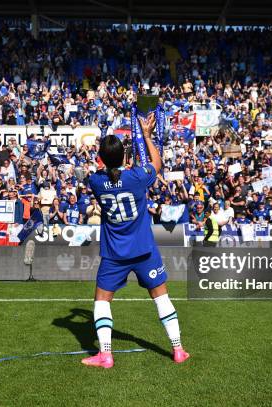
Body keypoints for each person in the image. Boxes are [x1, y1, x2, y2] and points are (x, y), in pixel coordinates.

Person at [82, 113, 189, 369]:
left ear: (102, 159)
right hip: (144, 249)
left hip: (114, 254)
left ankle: (106, 354)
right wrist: (147, 136)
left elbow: (105, 173)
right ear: (125, 158)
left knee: (101, 302)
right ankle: (178, 349)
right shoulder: (137, 177)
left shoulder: (96, 181)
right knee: (162, 299)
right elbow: (157, 162)